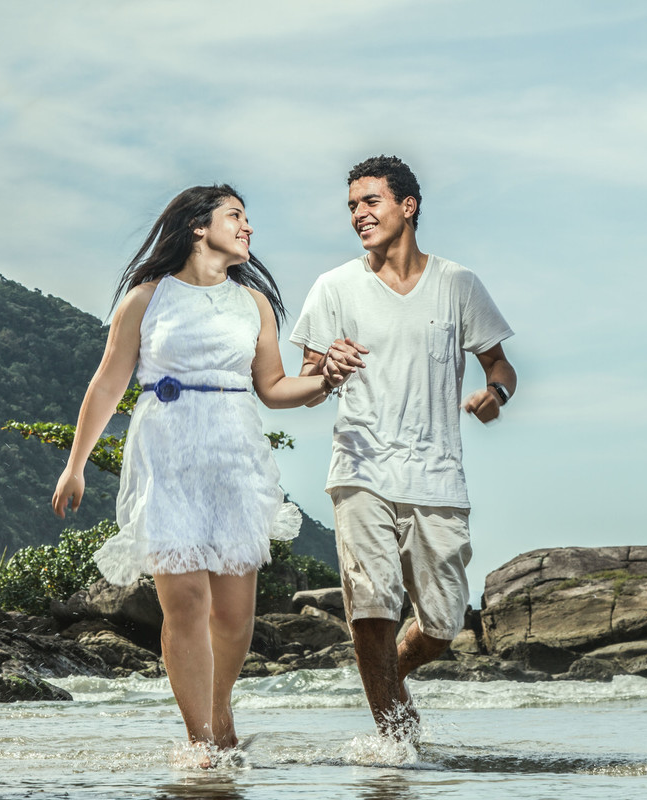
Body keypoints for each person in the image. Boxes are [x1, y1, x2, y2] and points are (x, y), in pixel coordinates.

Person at [51, 184, 349, 761]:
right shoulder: (146, 297)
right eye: (235, 216)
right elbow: (108, 383)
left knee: (235, 617)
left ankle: (219, 711)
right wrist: (76, 465)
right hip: (166, 453)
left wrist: (328, 379)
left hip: (234, 457)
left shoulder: (253, 303)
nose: (248, 228)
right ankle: (201, 744)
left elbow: (275, 388)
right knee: (185, 602)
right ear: (197, 226)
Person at [289, 155, 517, 741]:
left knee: (442, 624)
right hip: (360, 468)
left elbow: (501, 365)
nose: (358, 216)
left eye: (370, 202)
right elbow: (308, 383)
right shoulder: (334, 287)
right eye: (352, 207)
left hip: (438, 476)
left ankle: (386, 679)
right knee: (371, 608)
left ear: (407, 206)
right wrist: (327, 372)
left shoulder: (458, 284)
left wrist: (495, 394)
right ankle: (394, 736)